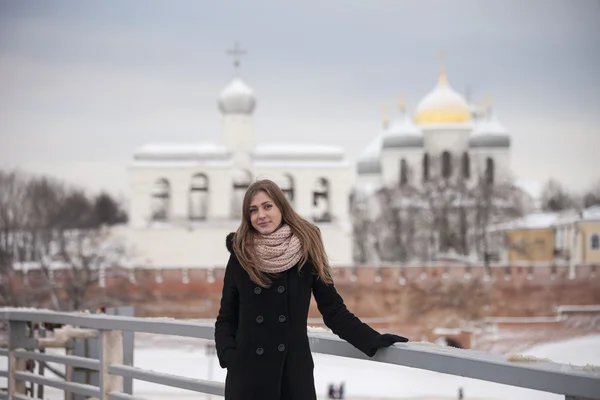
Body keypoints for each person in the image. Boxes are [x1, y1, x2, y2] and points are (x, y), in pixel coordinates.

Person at [214, 179, 409, 400]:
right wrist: (230, 358)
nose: (261, 215)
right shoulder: (241, 255)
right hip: (247, 378)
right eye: (253, 210)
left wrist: (372, 339)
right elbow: (226, 317)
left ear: (281, 207)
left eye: (267, 206)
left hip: (292, 375)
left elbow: (333, 310)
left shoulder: (306, 250)